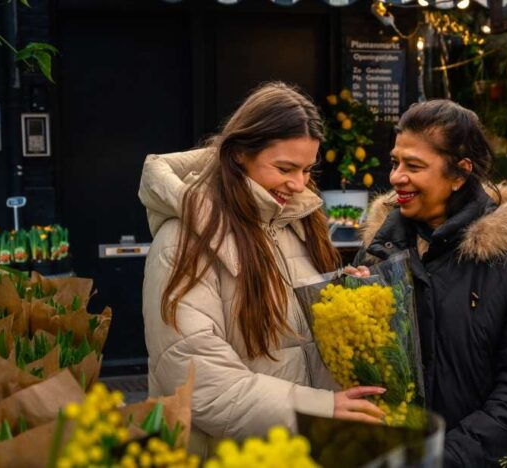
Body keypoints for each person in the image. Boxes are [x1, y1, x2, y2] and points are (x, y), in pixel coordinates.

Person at [138, 82, 385, 455]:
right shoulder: (182, 241)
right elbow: (197, 380)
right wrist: (320, 409)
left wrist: (343, 298)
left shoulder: (300, 222)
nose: (298, 183)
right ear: (239, 155)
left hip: (299, 450)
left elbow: (298, 338)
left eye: (306, 169)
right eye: (285, 168)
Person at [351, 99, 507, 466]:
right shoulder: (379, 250)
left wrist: (441, 459)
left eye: (414, 166)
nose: (395, 177)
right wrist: (352, 305)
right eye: (395, 162)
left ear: (459, 174)